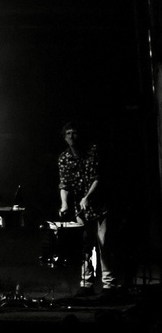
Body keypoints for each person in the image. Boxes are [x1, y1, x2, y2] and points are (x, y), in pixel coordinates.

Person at [57, 121, 115, 297]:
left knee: (104, 244)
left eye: (74, 133)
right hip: (80, 209)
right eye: (68, 133)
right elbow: (64, 184)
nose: (72, 136)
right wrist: (64, 204)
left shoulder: (92, 152)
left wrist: (88, 197)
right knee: (85, 246)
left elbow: (98, 177)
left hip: (99, 206)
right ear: (64, 137)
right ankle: (86, 283)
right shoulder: (64, 158)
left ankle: (109, 285)